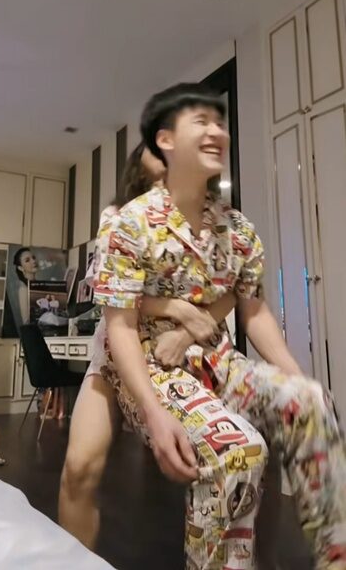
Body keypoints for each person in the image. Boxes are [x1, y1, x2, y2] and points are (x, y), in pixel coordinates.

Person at [99, 82, 346, 569]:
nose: (216, 132)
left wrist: (296, 379)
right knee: (240, 451)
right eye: (201, 121)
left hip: (218, 362)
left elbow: (253, 310)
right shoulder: (129, 224)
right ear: (165, 140)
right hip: (154, 372)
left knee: (313, 401)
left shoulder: (238, 229)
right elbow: (119, 327)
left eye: (220, 122)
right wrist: (153, 413)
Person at [59, 142, 237, 549]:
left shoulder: (216, 223)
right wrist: (178, 306)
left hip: (194, 357)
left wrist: (190, 329)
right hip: (117, 354)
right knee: (78, 468)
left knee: (239, 455)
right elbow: (107, 290)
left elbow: (232, 289)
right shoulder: (119, 217)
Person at [12, 247, 37, 324]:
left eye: (33, 258)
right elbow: (26, 321)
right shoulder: (23, 289)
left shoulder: (36, 285)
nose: (33, 261)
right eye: (27, 260)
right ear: (20, 268)